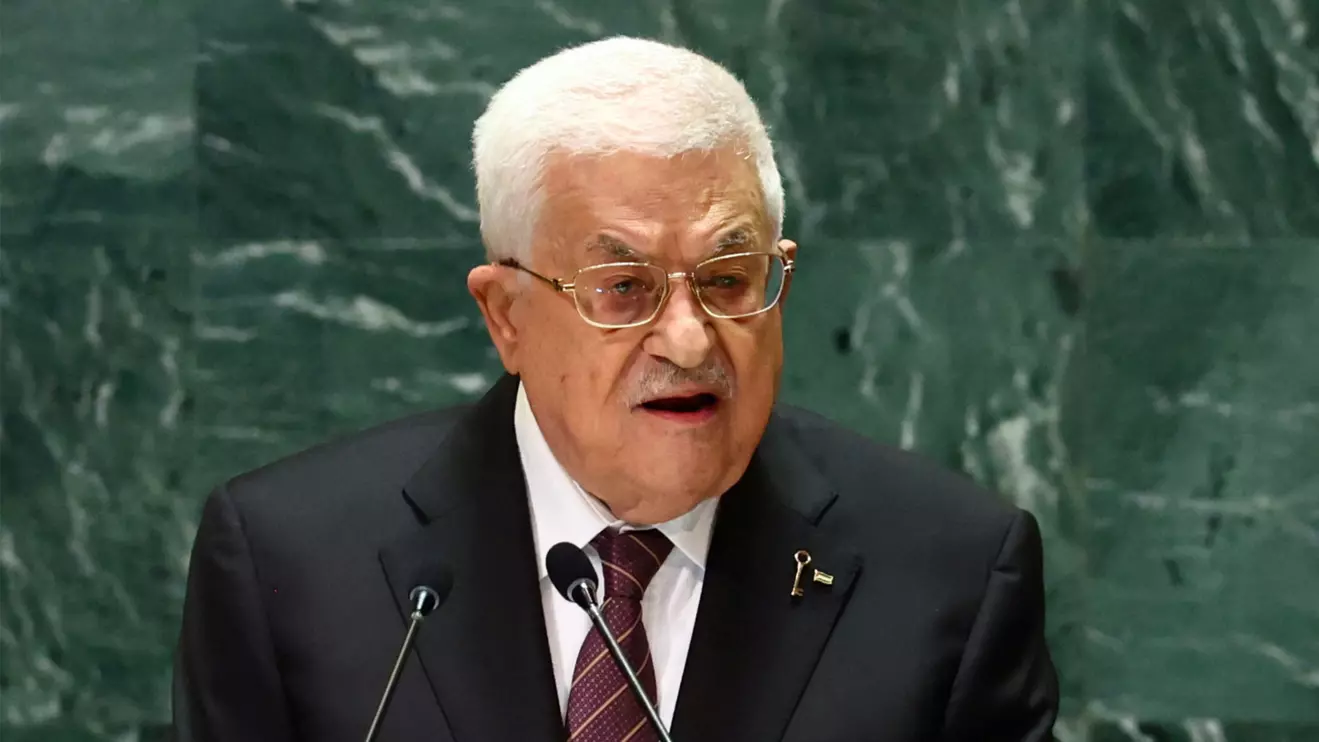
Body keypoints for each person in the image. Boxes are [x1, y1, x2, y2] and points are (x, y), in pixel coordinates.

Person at [173, 36, 1058, 742]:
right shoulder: (288, 567)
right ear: (507, 317)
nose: (687, 337)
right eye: (624, 289)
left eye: (728, 277)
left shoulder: (952, 574)